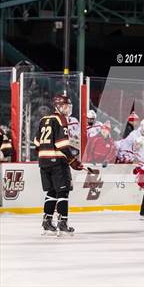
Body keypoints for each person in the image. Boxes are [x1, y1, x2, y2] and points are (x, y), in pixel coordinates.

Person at [34, 95, 84, 236]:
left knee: (51, 192)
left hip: (43, 161)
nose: (67, 109)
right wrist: (72, 160)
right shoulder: (60, 119)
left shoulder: (44, 119)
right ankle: (63, 223)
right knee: (63, 191)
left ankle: (47, 221)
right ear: (58, 106)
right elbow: (62, 145)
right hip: (57, 162)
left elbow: (36, 144)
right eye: (65, 106)